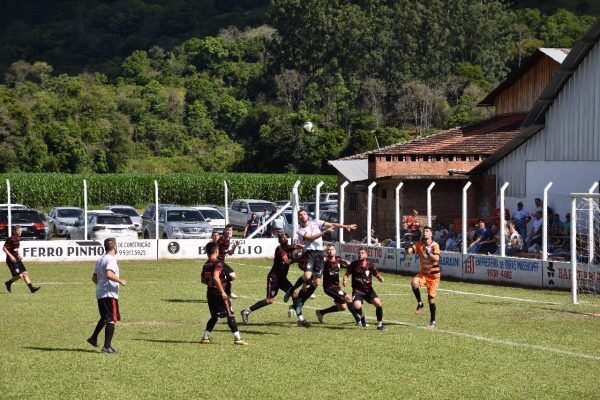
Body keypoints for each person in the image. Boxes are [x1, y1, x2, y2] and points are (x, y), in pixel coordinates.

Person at [286, 208, 357, 327]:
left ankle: (298, 303)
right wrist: (324, 232)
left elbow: (332, 224)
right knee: (307, 275)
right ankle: (292, 289)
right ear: (299, 218)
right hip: (309, 254)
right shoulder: (300, 230)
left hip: (319, 254)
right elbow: (310, 238)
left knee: (316, 282)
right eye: (300, 215)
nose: (303, 216)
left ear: (307, 215)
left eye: (304, 214)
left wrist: (346, 226)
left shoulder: (316, 222)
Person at [240, 233, 301, 324]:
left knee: (295, 294)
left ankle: (296, 313)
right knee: (269, 300)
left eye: (285, 236)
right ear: (280, 241)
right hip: (274, 278)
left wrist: (301, 248)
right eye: (283, 238)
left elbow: (293, 247)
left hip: (282, 279)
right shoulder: (279, 249)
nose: (285, 238)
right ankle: (246, 311)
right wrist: (299, 257)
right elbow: (287, 261)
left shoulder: (288, 247)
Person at [200, 241, 247, 345]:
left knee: (215, 316)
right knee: (230, 315)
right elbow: (216, 277)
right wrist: (222, 291)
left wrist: (211, 283)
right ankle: (237, 338)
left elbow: (203, 280)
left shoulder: (206, 265)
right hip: (218, 293)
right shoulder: (218, 263)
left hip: (210, 293)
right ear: (216, 251)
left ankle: (205, 337)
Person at [87, 238, 126, 354]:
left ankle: (93, 338)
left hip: (100, 292)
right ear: (114, 247)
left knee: (105, 317)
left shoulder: (100, 260)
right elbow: (109, 274)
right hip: (109, 294)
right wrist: (120, 281)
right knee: (111, 319)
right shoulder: (111, 259)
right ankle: (106, 346)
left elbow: (94, 278)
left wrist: (101, 286)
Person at [315, 244, 361, 324]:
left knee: (342, 307)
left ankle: (321, 312)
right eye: (329, 250)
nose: (330, 251)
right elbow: (318, 256)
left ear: (335, 251)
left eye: (332, 249)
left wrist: (353, 266)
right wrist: (323, 249)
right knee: (348, 298)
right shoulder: (325, 260)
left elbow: (347, 262)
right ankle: (358, 320)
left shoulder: (338, 259)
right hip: (329, 287)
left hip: (336, 287)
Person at [343, 248, 386, 330]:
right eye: (359, 253)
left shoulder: (370, 265)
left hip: (368, 290)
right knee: (357, 306)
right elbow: (346, 274)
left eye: (362, 253)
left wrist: (380, 278)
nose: (360, 255)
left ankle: (379, 325)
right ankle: (362, 317)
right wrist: (345, 279)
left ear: (366, 255)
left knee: (378, 304)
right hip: (357, 291)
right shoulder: (353, 264)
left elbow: (377, 274)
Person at [406, 226, 439, 329]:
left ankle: (432, 321)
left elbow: (436, 258)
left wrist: (428, 252)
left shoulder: (435, 245)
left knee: (431, 299)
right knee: (414, 283)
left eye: (427, 231)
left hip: (434, 277)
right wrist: (408, 244)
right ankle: (420, 302)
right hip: (424, 274)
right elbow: (408, 252)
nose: (425, 232)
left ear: (431, 234)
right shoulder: (419, 244)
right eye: (424, 231)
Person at [3, 225, 40, 293]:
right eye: (19, 231)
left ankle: (32, 289)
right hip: (11, 261)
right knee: (19, 276)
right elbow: (4, 248)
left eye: (21, 231)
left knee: (25, 273)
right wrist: (11, 256)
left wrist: (19, 254)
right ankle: (8, 283)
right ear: (14, 231)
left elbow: (15, 249)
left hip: (18, 259)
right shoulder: (10, 239)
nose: (20, 232)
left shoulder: (18, 238)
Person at [216, 225, 240, 299]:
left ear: (232, 231)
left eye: (229, 230)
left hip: (221, 261)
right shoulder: (222, 239)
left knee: (229, 278)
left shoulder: (228, 239)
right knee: (231, 276)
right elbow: (215, 248)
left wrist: (235, 246)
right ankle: (226, 294)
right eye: (226, 230)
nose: (228, 231)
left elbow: (229, 253)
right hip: (217, 262)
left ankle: (227, 293)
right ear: (224, 230)